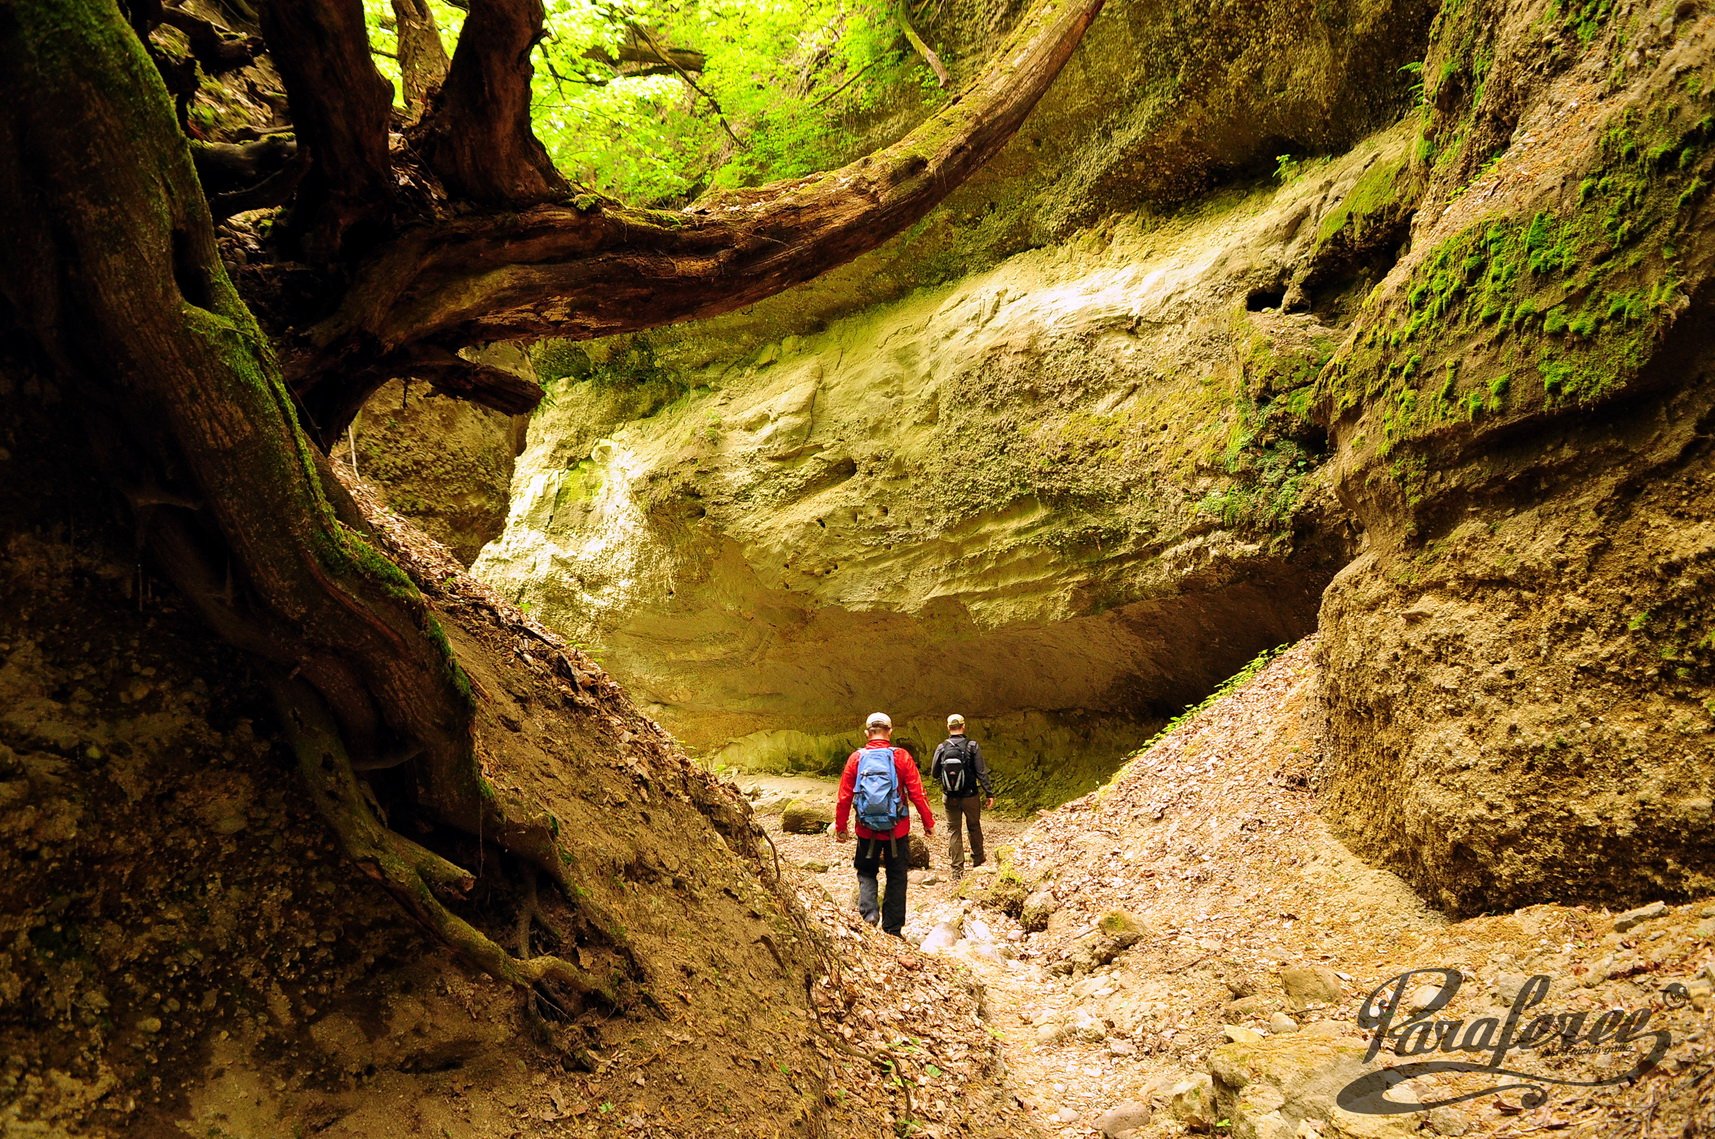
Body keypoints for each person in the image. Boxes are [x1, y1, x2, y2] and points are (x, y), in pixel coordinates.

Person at [834, 712, 934, 937]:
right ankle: (893, 929)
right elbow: (918, 793)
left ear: (867, 733)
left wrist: (841, 826)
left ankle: (869, 915)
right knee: (897, 876)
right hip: (897, 830)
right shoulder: (901, 757)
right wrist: (928, 822)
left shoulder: (856, 758)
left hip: (866, 829)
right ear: (890, 731)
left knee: (866, 871)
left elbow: (844, 797)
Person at [929, 713, 994, 881]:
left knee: (954, 831)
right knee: (974, 826)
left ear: (948, 728)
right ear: (963, 726)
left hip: (950, 797)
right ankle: (978, 860)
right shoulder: (972, 746)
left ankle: (957, 870)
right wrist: (989, 792)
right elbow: (981, 772)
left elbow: (935, 774)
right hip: (971, 795)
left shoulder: (942, 747)